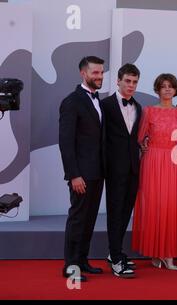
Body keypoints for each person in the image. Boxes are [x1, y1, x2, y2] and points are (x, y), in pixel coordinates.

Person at [132, 73, 177, 271]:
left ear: (175, 90)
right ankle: (156, 252)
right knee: (154, 205)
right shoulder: (148, 111)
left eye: (170, 86)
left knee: (171, 206)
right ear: (157, 89)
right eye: (163, 86)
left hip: (172, 162)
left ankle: (169, 254)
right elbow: (139, 137)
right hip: (152, 161)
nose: (167, 89)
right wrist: (145, 145)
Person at [59, 56, 105, 282]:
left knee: (89, 219)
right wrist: (74, 174)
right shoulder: (72, 101)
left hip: (98, 172)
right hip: (81, 175)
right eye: (95, 73)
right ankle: (70, 266)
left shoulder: (99, 101)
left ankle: (82, 260)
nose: (99, 77)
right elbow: (65, 142)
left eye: (101, 72)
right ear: (83, 74)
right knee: (78, 219)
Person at [102, 63, 142, 278]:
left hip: (133, 169)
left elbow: (133, 138)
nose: (131, 85)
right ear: (118, 81)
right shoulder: (105, 105)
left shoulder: (138, 106)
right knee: (115, 212)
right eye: (127, 81)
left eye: (135, 82)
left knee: (125, 211)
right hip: (114, 169)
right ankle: (116, 259)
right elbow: (101, 139)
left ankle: (114, 252)